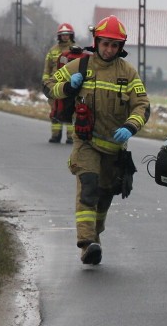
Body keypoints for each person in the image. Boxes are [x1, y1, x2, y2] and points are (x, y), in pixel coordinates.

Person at [45, 15, 150, 264]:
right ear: (96, 42)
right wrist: (69, 86)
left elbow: (142, 106)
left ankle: (95, 237)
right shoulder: (81, 66)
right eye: (104, 43)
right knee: (89, 187)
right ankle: (86, 242)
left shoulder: (128, 73)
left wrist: (130, 126)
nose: (109, 49)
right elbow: (49, 86)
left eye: (114, 45)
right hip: (86, 142)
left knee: (104, 197)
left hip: (114, 148)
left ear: (121, 47)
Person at [43, 23, 79, 144]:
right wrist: (45, 84)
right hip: (54, 85)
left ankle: (70, 137)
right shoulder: (53, 51)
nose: (65, 37)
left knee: (69, 110)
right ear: (59, 36)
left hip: (69, 85)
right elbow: (47, 69)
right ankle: (55, 136)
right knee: (55, 111)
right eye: (62, 35)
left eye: (67, 34)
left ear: (71, 35)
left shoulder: (75, 50)